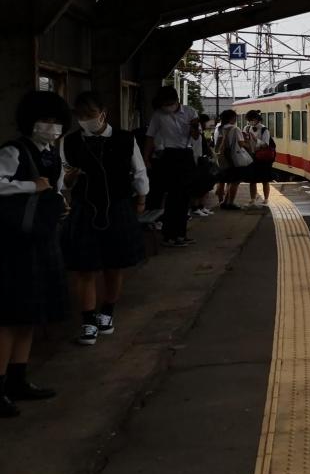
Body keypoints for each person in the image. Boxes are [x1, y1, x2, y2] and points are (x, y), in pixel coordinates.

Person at [0, 90, 71, 417]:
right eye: (45, 120)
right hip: (13, 244)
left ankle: (18, 378)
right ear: (30, 121)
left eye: (56, 121)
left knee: (29, 313)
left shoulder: (51, 154)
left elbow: (54, 188)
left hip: (41, 239)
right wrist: (32, 186)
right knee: (9, 317)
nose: (51, 126)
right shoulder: (14, 150)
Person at [61, 92, 148, 346]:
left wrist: (141, 199)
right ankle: (88, 320)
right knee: (84, 267)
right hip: (84, 208)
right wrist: (69, 179)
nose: (85, 120)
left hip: (117, 206)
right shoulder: (70, 142)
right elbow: (62, 179)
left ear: (103, 113)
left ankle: (107, 311)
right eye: (80, 116)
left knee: (114, 264)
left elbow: (139, 170)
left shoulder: (124, 139)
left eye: (90, 114)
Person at [144, 86, 199, 247]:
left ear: (176, 100)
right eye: (164, 104)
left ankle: (181, 234)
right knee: (173, 197)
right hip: (168, 156)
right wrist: (146, 158)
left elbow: (196, 137)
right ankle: (169, 236)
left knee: (184, 197)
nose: (167, 106)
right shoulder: (158, 115)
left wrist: (194, 127)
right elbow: (150, 137)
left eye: (169, 103)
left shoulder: (190, 112)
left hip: (186, 155)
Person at [214, 109, 250, 210]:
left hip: (221, 158)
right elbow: (241, 143)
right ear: (231, 118)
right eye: (235, 117)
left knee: (224, 180)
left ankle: (223, 202)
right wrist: (248, 143)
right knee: (234, 181)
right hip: (233, 158)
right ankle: (230, 202)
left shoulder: (218, 128)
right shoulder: (235, 129)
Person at [243, 110, 275, 207]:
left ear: (257, 119)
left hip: (263, 157)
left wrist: (255, 139)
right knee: (252, 179)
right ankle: (252, 199)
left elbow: (265, 144)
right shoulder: (247, 128)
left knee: (265, 179)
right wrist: (245, 141)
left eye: (251, 119)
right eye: (249, 120)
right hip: (251, 156)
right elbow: (245, 142)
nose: (250, 122)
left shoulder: (264, 130)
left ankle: (266, 199)